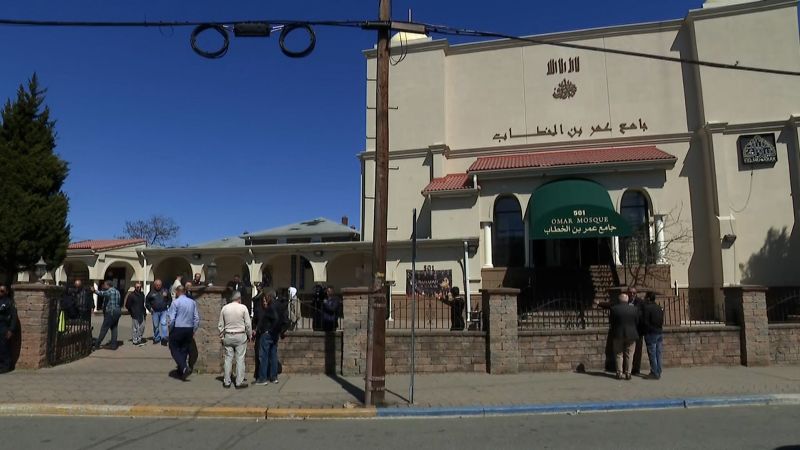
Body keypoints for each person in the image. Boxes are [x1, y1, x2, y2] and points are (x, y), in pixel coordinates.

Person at [218, 291, 252, 389]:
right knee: (240, 359)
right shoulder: (243, 308)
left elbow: (220, 324)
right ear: (239, 298)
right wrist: (249, 335)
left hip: (228, 335)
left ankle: (227, 381)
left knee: (228, 358)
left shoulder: (225, 308)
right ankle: (239, 381)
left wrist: (222, 336)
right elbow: (248, 324)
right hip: (240, 335)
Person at [166, 285, 200, 381]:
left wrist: (170, 329)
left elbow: (172, 318)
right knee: (184, 349)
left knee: (174, 348)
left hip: (178, 328)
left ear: (177, 292)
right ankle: (182, 371)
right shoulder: (192, 302)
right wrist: (193, 330)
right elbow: (196, 318)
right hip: (189, 328)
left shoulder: (175, 302)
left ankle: (184, 367)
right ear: (184, 291)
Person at [253, 290, 286, 385]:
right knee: (273, 355)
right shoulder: (280, 306)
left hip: (268, 333)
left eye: (267, 297)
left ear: (270, 297)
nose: (265, 299)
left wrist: (270, 330)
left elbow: (275, 319)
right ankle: (273, 377)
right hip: (275, 334)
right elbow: (284, 320)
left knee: (264, 356)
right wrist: (280, 330)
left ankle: (263, 378)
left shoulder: (272, 306)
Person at [609, 293, 640, 380]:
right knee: (630, 354)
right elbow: (637, 321)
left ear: (619, 300)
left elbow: (611, 321)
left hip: (618, 334)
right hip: (631, 334)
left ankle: (619, 372)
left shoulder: (614, 309)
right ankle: (628, 373)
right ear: (627, 300)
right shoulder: (634, 309)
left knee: (618, 354)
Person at [641, 291, 665, 380]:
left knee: (652, 354)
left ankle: (654, 372)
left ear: (648, 298)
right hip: (659, 331)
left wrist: (645, 330)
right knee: (658, 353)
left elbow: (645, 322)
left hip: (651, 333)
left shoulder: (647, 308)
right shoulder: (659, 307)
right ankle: (658, 370)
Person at [93, 280, 122, 350]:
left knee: (104, 328)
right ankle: (113, 345)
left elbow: (102, 293)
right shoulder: (117, 291)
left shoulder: (110, 291)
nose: (104, 286)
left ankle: (97, 344)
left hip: (111, 312)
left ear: (108, 285)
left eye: (105, 284)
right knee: (114, 328)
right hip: (118, 311)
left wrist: (94, 291)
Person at [146, 279, 171, 346]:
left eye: (159, 285)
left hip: (164, 311)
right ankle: (156, 338)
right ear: (154, 285)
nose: (158, 286)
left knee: (163, 324)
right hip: (155, 312)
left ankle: (164, 338)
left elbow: (170, 299)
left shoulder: (165, 291)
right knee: (156, 325)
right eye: (157, 285)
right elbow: (147, 302)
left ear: (161, 285)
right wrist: (149, 308)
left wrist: (168, 305)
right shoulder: (151, 293)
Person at [0, 285, 18, 374]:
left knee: (4, 348)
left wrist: (11, 330)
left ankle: (5, 366)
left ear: (6, 292)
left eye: (2, 291)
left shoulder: (9, 303)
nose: (0, 293)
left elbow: (14, 317)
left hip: (4, 328)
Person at [628, 287, 645, 375]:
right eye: (630, 293)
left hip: (638, 329)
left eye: (634, 293)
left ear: (636, 293)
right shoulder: (625, 301)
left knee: (638, 350)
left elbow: (641, 314)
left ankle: (636, 369)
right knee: (628, 350)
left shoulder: (640, 302)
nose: (632, 295)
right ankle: (627, 368)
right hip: (628, 329)